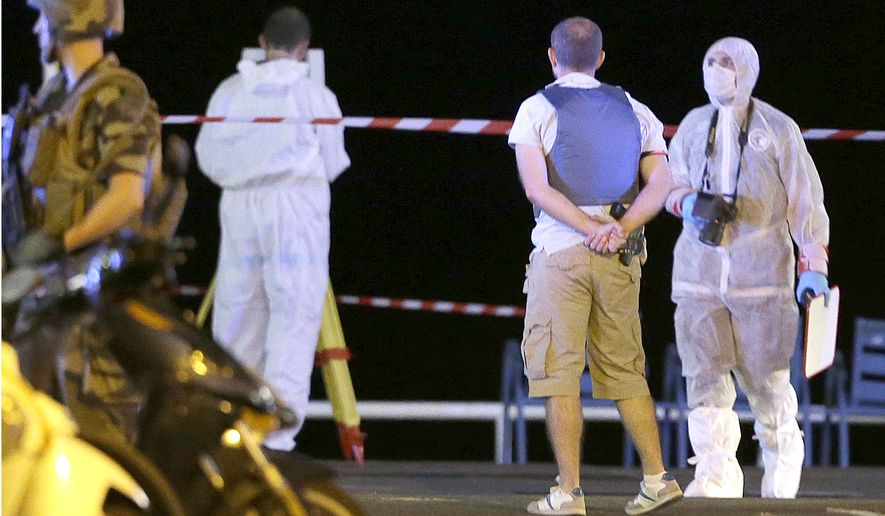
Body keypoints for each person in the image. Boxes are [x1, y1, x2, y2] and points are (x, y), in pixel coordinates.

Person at [508, 17, 683, 516]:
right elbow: (660, 185)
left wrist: (587, 229)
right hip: (620, 255)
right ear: (601, 59)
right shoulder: (636, 110)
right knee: (627, 370)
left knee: (558, 372)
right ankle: (657, 477)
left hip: (562, 254)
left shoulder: (536, 109)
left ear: (552, 56)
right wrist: (619, 229)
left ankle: (569, 492)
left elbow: (537, 188)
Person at [665, 37, 830, 498]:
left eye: (727, 63)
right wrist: (687, 202)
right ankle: (716, 473)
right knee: (704, 376)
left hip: (761, 280)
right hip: (698, 276)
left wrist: (813, 261)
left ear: (747, 71)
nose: (718, 70)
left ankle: (781, 461)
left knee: (766, 379)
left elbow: (805, 200)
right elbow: (670, 183)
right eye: (711, 61)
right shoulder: (694, 127)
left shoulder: (777, 128)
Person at [195, 6, 350, 452]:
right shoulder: (315, 98)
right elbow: (334, 161)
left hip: (241, 209)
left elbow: (208, 157)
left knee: (237, 315)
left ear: (262, 42)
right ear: (304, 50)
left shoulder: (228, 92)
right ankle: (277, 437)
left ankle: (233, 426)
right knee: (293, 317)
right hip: (296, 209)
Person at [11, 0, 160, 266]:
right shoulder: (54, 96)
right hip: (43, 262)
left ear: (64, 19)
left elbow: (127, 197)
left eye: (43, 18)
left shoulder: (117, 96)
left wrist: (62, 245)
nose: (36, 29)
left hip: (88, 269)